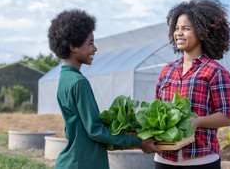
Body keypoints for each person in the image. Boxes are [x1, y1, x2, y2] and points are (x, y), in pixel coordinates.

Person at [48, 9, 161, 169]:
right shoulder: (79, 82)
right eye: (90, 43)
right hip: (85, 163)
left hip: (73, 160)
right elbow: (95, 130)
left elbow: (75, 128)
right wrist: (137, 141)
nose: (95, 48)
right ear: (73, 47)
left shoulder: (65, 78)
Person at [154, 0, 230, 169]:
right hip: (164, 158)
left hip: (201, 159)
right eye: (176, 28)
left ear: (201, 32)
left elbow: (227, 116)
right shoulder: (167, 71)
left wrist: (197, 121)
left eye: (186, 28)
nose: (179, 33)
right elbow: (156, 109)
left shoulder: (215, 71)